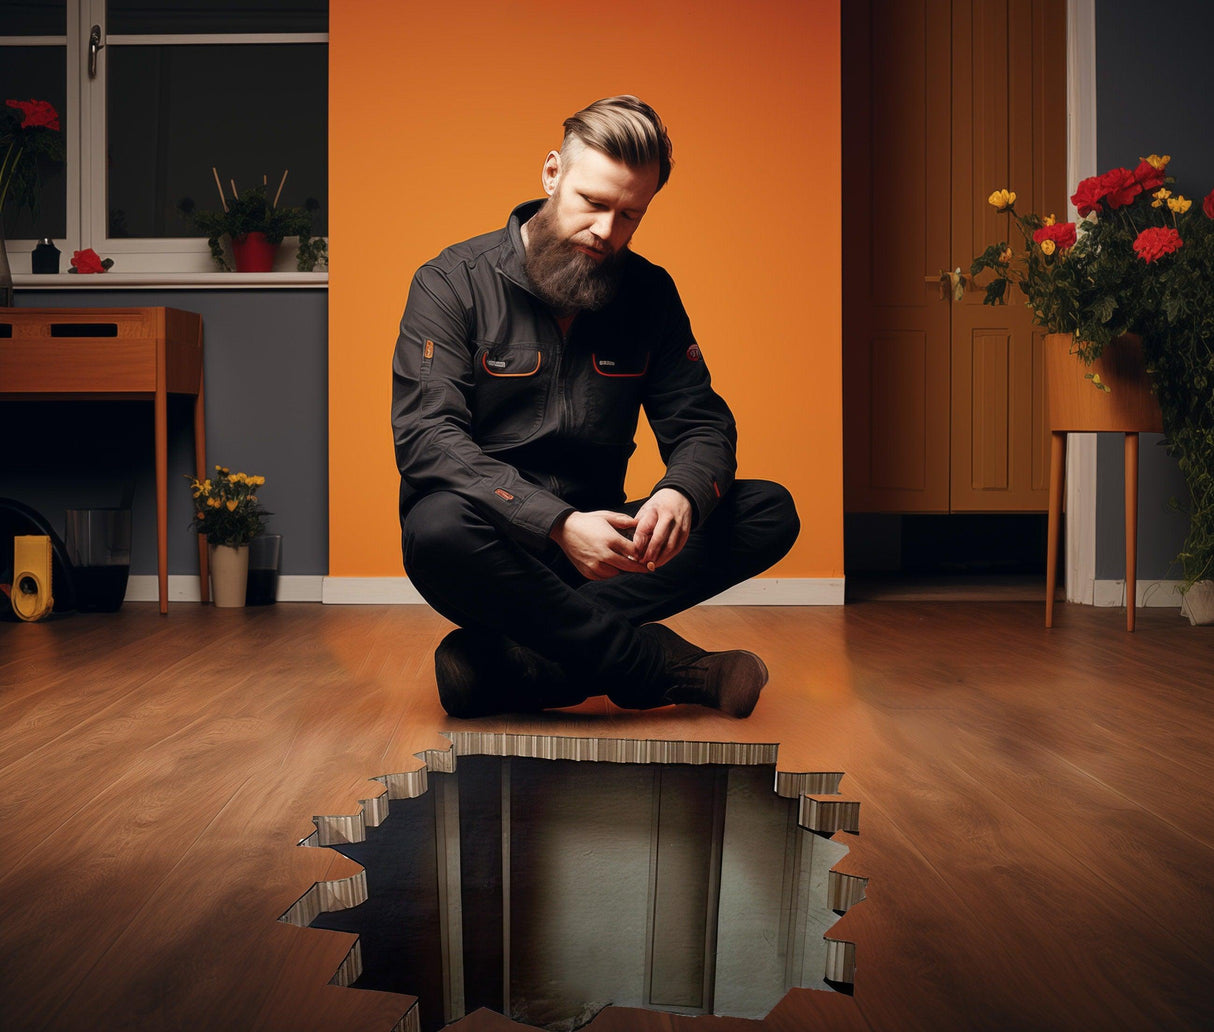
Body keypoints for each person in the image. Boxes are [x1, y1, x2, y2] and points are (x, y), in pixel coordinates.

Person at [391, 95, 799, 719]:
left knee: (768, 511)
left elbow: (701, 424)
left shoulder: (650, 294)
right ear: (552, 173)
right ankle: (662, 667)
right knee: (437, 524)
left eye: (631, 215)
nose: (607, 232)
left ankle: (512, 663)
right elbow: (427, 437)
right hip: (491, 546)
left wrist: (681, 495)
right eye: (593, 203)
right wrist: (556, 523)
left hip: (606, 550)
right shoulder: (451, 283)